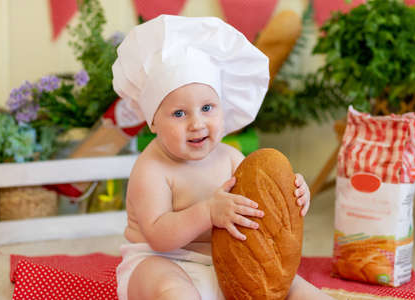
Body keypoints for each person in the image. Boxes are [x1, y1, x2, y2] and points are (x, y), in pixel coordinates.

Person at [112, 15, 333, 300]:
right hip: (163, 261)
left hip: (225, 265)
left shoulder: (230, 158)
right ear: (153, 121)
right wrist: (207, 212)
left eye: (207, 107)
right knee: (171, 289)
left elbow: (257, 208)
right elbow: (158, 236)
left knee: (294, 286)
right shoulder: (152, 168)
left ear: (222, 108)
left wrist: (292, 196)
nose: (197, 123)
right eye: (179, 113)